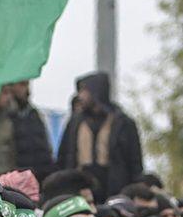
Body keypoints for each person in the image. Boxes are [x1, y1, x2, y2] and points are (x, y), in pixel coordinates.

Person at [55, 70, 143, 200]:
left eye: (84, 91)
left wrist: (134, 192)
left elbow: (134, 162)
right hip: (80, 188)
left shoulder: (123, 123)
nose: (80, 96)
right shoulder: (75, 122)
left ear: (96, 92)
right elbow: (63, 157)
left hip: (115, 189)